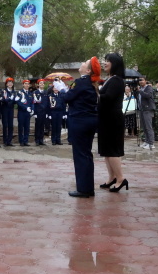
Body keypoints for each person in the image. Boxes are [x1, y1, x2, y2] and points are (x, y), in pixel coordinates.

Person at [65, 57, 100, 197]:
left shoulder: (81, 82)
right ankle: (88, 187)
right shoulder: (90, 83)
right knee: (86, 154)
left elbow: (67, 98)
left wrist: (63, 91)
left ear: (88, 70)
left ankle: (84, 189)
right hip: (89, 121)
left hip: (79, 122)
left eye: (84, 63)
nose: (81, 64)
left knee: (80, 155)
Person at [99, 53, 128, 193]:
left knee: (113, 151)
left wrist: (96, 93)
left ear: (115, 64)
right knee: (106, 151)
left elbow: (108, 97)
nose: (104, 63)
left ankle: (121, 178)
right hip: (106, 118)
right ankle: (112, 177)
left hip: (113, 119)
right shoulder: (109, 79)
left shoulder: (117, 80)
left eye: (107, 61)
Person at [137, 77, 156, 150]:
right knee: (144, 127)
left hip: (148, 109)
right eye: (139, 80)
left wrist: (140, 91)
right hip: (142, 109)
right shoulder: (140, 89)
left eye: (142, 80)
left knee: (148, 126)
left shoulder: (148, 87)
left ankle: (151, 143)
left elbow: (147, 95)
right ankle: (147, 141)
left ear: (145, 81)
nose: (140, 82)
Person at [46, 79, 66, 145]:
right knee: (54, 127)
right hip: (53, 112)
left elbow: (63, 104)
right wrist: (49, 114)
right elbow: (48, 105)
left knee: (59, 126)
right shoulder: (50, 96)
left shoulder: (61, 95)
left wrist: (64, 113)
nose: (56, 89)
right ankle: (53, 140)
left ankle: (58, 139)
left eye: (57, 88)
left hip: (60, 112)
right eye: (55, 88)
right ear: (53, 89)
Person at [15, 79, 33, 146]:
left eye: (28, 84)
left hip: (28, 113)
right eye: (25, 83)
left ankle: (26, 141)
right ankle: (21, 141)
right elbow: (18, 102)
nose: (27, 85)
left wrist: (32, 109)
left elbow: (32, 102)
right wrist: (26, 108)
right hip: (21, 112)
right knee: (21, 127)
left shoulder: (30, 93)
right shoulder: (19, 93)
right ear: (23, 85)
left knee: (27, 127)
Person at [1, 77, 17, 146]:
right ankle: (5, 140)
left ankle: (9, 140)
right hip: (4, 109)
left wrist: (14, 100)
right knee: (5, 125)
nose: (10, 84)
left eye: (11, 83)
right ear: (6, 84)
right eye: (9, 83)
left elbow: (15, 101)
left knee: (10, 125)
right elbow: (3, 100)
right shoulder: (4, 91)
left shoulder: (14, 92)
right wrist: (9, 100)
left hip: (11, 109)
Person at [33, 79, 48, 146]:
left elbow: (47, 103)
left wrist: (47, 113)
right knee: (37, 126)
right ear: (38, 84)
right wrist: (35, 113)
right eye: (40, 83)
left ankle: (41, 140)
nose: (42, 84)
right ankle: (37, 140)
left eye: (43, 83)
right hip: (38, 112)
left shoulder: (46, 92)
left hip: (44, 112)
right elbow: (34, 103)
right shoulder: (35, 92)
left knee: (42, 126)